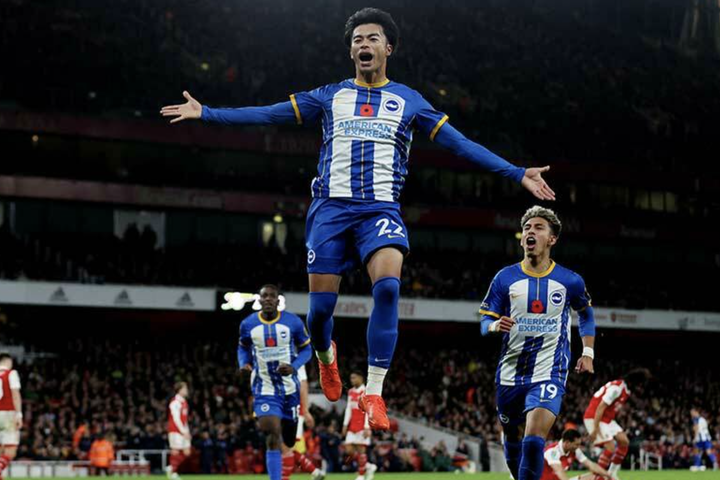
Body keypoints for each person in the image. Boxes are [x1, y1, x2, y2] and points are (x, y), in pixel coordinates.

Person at [161, 7, 555, 430]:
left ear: (389, 48)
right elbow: (270, 114)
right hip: (330, 210)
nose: (363, 44)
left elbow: (460, 144)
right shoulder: (329, 96)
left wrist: (516, 172)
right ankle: (325, 354)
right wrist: (208, 113)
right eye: (357, 40)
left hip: (380, 210)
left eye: (372, 38)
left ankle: (374, 391)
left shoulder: (409, 101)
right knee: (319, 313)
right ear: (351, 51)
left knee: (388, 288)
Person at [480, 206, 595, 480]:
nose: (531, 231)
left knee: (533, 439)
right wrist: (494, 325)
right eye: (527, 228)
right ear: (522, 238)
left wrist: (588, 351)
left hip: (549, 371)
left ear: (552, 239)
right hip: (510, 374)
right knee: (513, 438)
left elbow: (586, 314)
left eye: (539, 227)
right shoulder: (504, 278)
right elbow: (484, 322)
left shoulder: (569, 280)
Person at [237, 285, 313, 480]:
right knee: (272, 433)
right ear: (259, 300)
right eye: (265, 296)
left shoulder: (293, 322)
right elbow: (242, 347)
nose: (268, 299)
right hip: (264, 388)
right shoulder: (248, 324)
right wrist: (244, 363)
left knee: (289, 440)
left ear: (278, 301)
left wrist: (294, 366)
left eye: (272, 296)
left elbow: (307, 349)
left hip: (290, 389)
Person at [583, 368, 650, 479]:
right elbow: (600, 407)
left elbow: (611, 408)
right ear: (635, 382)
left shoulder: (625, 389)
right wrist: (595, 429)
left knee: (624, 441)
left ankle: (612, 474)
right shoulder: (616, 389)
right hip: (594, 417)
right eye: (640, 385)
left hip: (607, 419)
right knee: (610, 447)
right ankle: (598, 477)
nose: (640, 388)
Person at [290, 365, 325, 480]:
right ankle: (315, 472)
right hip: (282, 410)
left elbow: (303, 385)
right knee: (283, 447)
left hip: (293, 411)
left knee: (286, 448)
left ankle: (314, 471)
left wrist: (305, 411)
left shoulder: (297, 362)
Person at [342, 372, 377, 480]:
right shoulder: (351, 392)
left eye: (354, 377)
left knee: (361, 450)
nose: (352, 380)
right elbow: (348, 409)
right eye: (351, 378)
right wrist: (345, 424)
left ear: (361, 378)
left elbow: (368, 410)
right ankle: (369, 466)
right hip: (352, 425)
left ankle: (361, 475)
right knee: (348, 450)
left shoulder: (366, 392)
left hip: (362, 425)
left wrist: (367, 427)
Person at [540, 429, 611, 480]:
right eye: (576, 444)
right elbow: (559, 471)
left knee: (597, 477)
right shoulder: (552, 451)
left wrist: (609, 476)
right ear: (567, 443)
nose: (578, 447)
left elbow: (591, 465)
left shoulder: (574, 450)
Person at [0, 353, 22, 480]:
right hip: (8, 414)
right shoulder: (11, 374)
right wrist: (19, 414)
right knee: (11, 451)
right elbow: (15, 394)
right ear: (7, 361)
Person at [166, 381, 191, 479]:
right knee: (175, 451)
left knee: (187, 452)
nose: (186, 390)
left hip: (183, 430)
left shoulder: (184, 402)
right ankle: (173, 472)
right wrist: (183, 431)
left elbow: (184, 420)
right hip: (175, 430)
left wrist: (187, 431)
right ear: (179, 390)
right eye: (185, 388)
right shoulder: (175, 402)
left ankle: (171, 467)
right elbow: (176, 419)